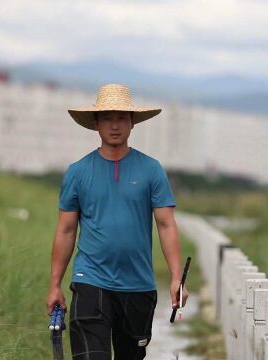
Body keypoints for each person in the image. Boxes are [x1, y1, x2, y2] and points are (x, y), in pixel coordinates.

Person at [45, 83, 189, 360]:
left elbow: (166, 224)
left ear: (132, 123)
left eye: (122, 118)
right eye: (107, 118)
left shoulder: (151, 170)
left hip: (138, 286)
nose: (115, 125)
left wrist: (175, 278)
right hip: (90, 281)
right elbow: (65, 231)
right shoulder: (77, 172)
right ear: (96, 124)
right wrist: (55, 285)